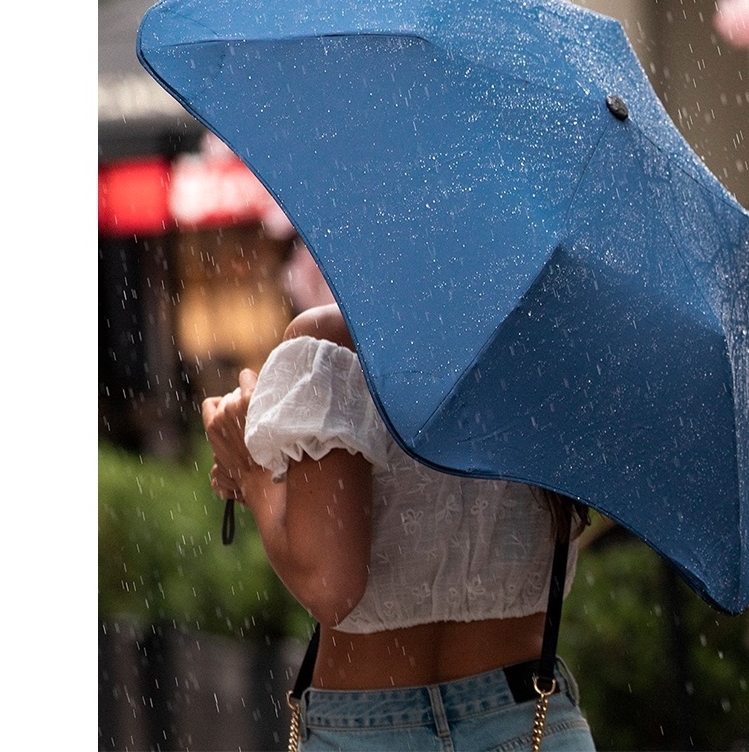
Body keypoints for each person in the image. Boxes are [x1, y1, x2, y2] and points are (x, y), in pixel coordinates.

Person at [202, 299, 597, 750]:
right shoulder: (551, 343)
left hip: (364, 731)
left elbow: (329, 586)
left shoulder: (337, 339)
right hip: (533, 721)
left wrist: (252, 473)